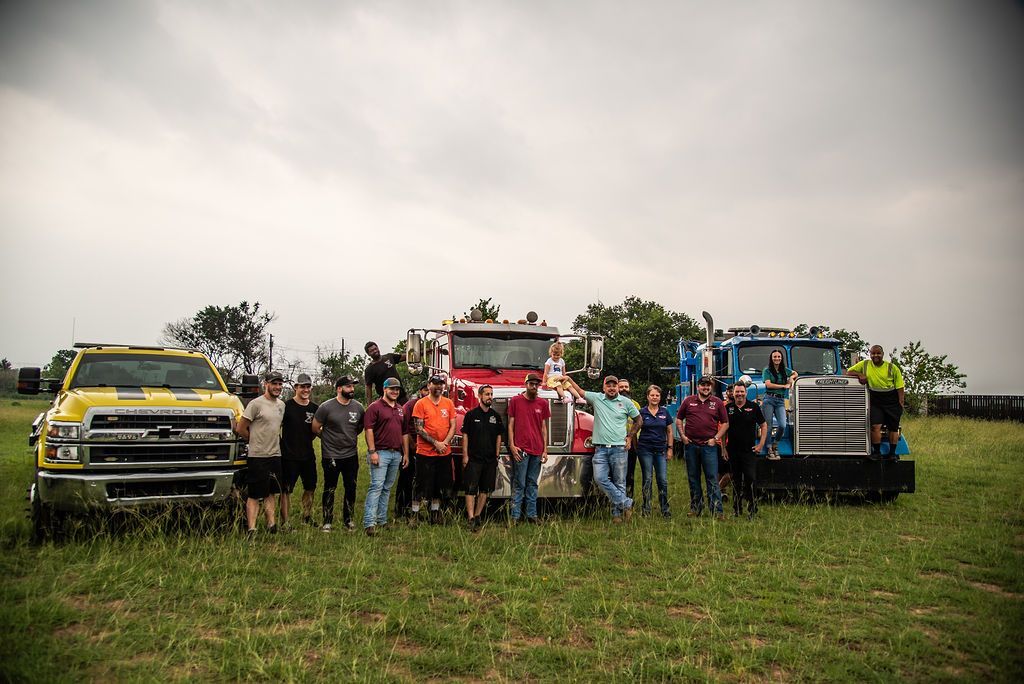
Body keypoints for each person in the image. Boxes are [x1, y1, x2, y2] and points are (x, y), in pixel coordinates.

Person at [564, 374, 640, 523]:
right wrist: (566, 378)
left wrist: (630, 436)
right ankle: (626, 503)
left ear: (617, 387)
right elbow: (579, 391)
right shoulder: (597, 398)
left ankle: (617, 514)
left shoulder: (626, 402)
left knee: (620, 482)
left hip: (619, 449)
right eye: (608, 385)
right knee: (600, 479)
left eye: (614, 385)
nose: (611, 388)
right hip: (600, 450)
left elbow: (639, 420)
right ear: (604, 387)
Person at [236, 371, 286, 537]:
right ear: (266, 384)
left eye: (280, 384)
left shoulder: (281, 405)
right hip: (258, 456)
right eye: (274, 384)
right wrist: (254, 441)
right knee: (255, 493)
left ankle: (272, 524)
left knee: (272, 492)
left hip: (275, 454)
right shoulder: (255, 404)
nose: (277, 387)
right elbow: (241, 428)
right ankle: (252, 528)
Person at [313, 375, 365, 531]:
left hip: (351, 455)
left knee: (351, 487)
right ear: (339, 389)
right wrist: (328, 439)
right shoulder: (326, 407)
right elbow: (315, 427)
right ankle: (327, 521)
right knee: (330, 487)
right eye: (348, 386)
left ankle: (348, 520)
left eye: (353, 386)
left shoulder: (358, 407)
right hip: (331, 455)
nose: (352, 389)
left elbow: (360, 427)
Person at [675, 376, 729, 520]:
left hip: (709, 447)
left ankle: (717, 511)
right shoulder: (688, 401)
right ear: (698, 387)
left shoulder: (717, 403)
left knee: (711, 478)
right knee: (693, 478)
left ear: (711, 388)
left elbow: (725, 423)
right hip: (691, 446)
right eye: (703, 385)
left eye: (708, 386)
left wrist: (716, 439)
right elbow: (679, 419)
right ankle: (696, 508)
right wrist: (682, 436)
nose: (706, 388)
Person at [362, 377, 407, 536]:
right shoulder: (375, 407)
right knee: (376, 486)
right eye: (392, 389)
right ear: (384, 389)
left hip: (396, 453)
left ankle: (382, 520)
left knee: (387, 488)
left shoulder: (400, 409)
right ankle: (369, 523)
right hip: (380, 452)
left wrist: (405, 453)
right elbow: (368, 430)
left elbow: (404, 433)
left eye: (397, 389)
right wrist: (372, 451)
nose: (395, 391)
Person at [411, 375, 457, 525]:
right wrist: (435, 443)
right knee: (421, 484)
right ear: (429, 385)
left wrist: (444, 443)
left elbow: (453, 425)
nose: (438, 387)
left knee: (439, 484)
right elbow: (419, 428)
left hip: (444, 452)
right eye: (435, 384)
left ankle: (435, 513)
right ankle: (415, 514)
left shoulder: (448, 403)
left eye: (441, 384)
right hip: (425, 453)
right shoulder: (421, 403)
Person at [846, 345, 905, 459]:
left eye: (878, 353)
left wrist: (900, 403)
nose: (875, 356)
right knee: (875, 426)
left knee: (893, 427)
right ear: (870, 354)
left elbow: (900, 387)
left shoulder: (892, 368)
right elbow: (849, 372)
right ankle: (876, 452)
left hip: (891, 400)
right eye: (873, 353)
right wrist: (860, 374)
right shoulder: (865, 364)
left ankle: (892, 454)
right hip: (876, 401)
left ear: (883, 354)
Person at [507, 373, 550, 524]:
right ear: (526, 384)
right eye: (531, 384)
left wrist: (545, 449)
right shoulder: (515, 401)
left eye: (536, 384)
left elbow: (544, 428)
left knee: (532, 483)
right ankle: (515, 516)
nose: (534, 386)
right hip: (521, 450)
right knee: (519, 483)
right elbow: (511, 424)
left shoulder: (543, 403)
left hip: (537, 450)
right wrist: (512, 445)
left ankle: (532, 515)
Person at [461, 384, 504, 531]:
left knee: (485, 490)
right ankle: (471, 517)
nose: (490, 397)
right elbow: (465, 435)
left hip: (490, 459)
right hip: (474, 459)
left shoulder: (496, 416)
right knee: (471, 489)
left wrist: (497, 454)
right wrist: (465, 455)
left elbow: (499, 436)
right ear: (480, 396)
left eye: (491, 394)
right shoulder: (471, 415)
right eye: (487, 394)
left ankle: (478, 515)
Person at [279, 373, 319, 528]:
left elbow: (316, 430)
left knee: (310, 487)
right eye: (302, 386)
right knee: (286, 490)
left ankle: (307, 516)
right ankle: (285, 522)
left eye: (308, 386)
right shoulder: (286, 406)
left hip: (308, 455)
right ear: (296, 387)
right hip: (289, 456)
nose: (305, 389)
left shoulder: (315, 408)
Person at [723, 384, 767, 519]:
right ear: (733, 393)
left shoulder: (753, 407)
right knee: (736, 480)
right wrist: (723, 448)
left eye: (742, 392)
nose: (739, 394)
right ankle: (736, 508)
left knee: (750, 479)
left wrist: (761, 444)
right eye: (737, 392)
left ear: (746, 393)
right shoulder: (728, 408)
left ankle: (752, 509)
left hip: (749, 451)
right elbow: (724, 428)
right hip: (733, 451)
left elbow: (763, 425)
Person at [636, 384, 673, 518]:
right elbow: (635, 430)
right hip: (645, 450)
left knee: (662, 480)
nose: (655, 397)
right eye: (652, 395)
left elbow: (669, 431)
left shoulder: (664, 412)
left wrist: (670, 448)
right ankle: (646, 509)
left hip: (660, 451)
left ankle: (665, 509)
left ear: (660, 397)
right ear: (647, 397)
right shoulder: (642, 412)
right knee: (647, 479)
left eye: (657, 395)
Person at [396, 383, 428, 521]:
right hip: (409, 447)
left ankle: (414, 510)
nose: (427, 392)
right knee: (405, 479)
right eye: (425, 389)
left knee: (419, 480)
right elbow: (404, 429)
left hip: (425, 448)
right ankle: (401, 510)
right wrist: (412, 445)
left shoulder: (432, 405)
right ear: (421, 391)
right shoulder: (410, 406)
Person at [762, 350, 798, 458]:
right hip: (769, 399)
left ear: (781, 358)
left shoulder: (784, 370)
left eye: (778, 356)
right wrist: (784, 386)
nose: (777, 358)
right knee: (768, 426)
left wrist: (791, 378)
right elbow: (768, 385)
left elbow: (795, 373)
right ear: (771, 358)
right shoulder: (767, 370)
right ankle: (768, 447)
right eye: (774, 357)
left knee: (782, 424)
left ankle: (775, 444)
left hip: (781, 401)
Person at [618, 378, 642, 500]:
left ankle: (629, 499)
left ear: (629, 388)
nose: (624, 389)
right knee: (616, 474)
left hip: (632, 444)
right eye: (621, 387)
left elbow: (639, 424)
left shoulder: (636, 404)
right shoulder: (612, 403)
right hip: (616, 443)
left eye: (626, 387)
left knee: (629, 474)